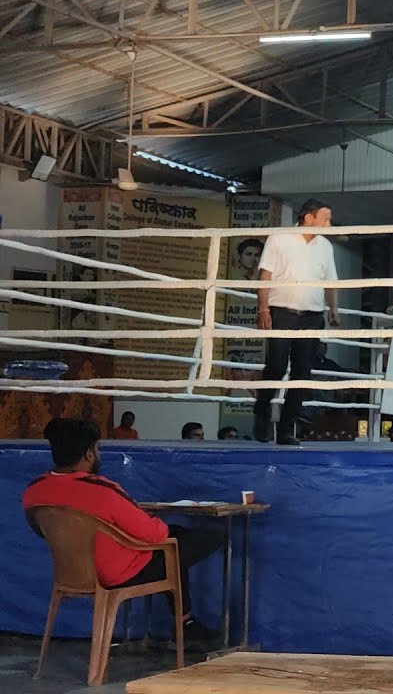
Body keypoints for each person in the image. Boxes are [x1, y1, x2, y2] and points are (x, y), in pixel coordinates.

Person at [22, 419, 222, 643]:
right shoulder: (102, 490)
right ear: (89, 454)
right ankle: (185, 625)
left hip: (70, 573)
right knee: (204, 537)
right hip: (121, 573)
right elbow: (153, 535)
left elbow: (40, 530)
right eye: (97, 449)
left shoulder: (34, 491)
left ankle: (186, 622)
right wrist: (158, 526)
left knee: (175, 546)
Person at [254, 199, 340, 446]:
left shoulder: (325, 246)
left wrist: (333, 309)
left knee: (302, 372)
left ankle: (286, 430)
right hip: (282, 311)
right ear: (308, 217)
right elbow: (265, 275)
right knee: (276, 366)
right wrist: (263, 307)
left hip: (313, 315)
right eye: (325, 218)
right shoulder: (280, 238)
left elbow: (331, 281)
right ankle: (262, 411)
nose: (329, 223)